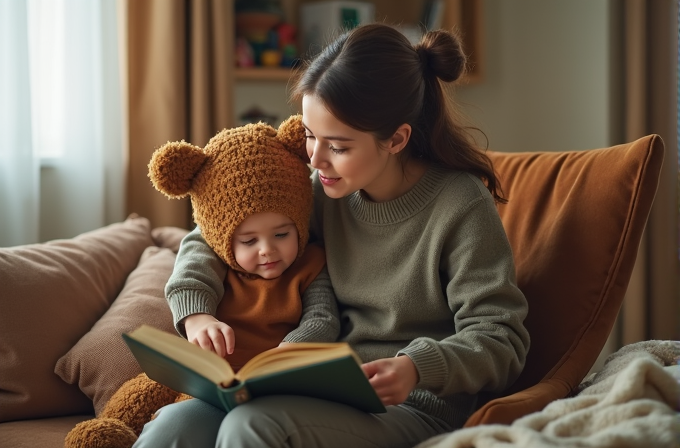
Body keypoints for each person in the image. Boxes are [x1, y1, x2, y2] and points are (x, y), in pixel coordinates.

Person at [134, 23, 530, 448]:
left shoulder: (460, 204)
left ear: (396, 139)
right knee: (172, 428)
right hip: (314, 391)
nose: (317, 159)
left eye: (338, 146)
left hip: (411, 407)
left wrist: (416, 367)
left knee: (251, 426)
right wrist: (196, 311)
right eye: (308, 136)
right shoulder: (324, 191)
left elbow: (500, 338)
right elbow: (212, 234)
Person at [146, 116, 340, 372]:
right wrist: (197, 319)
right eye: (249, 240)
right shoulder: (213, 255)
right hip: (213, 375)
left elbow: (323, 318)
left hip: (280, 377)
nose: (267, 250)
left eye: (282, 235)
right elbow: (188, 280)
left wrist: (291, 351)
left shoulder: (312, 264)